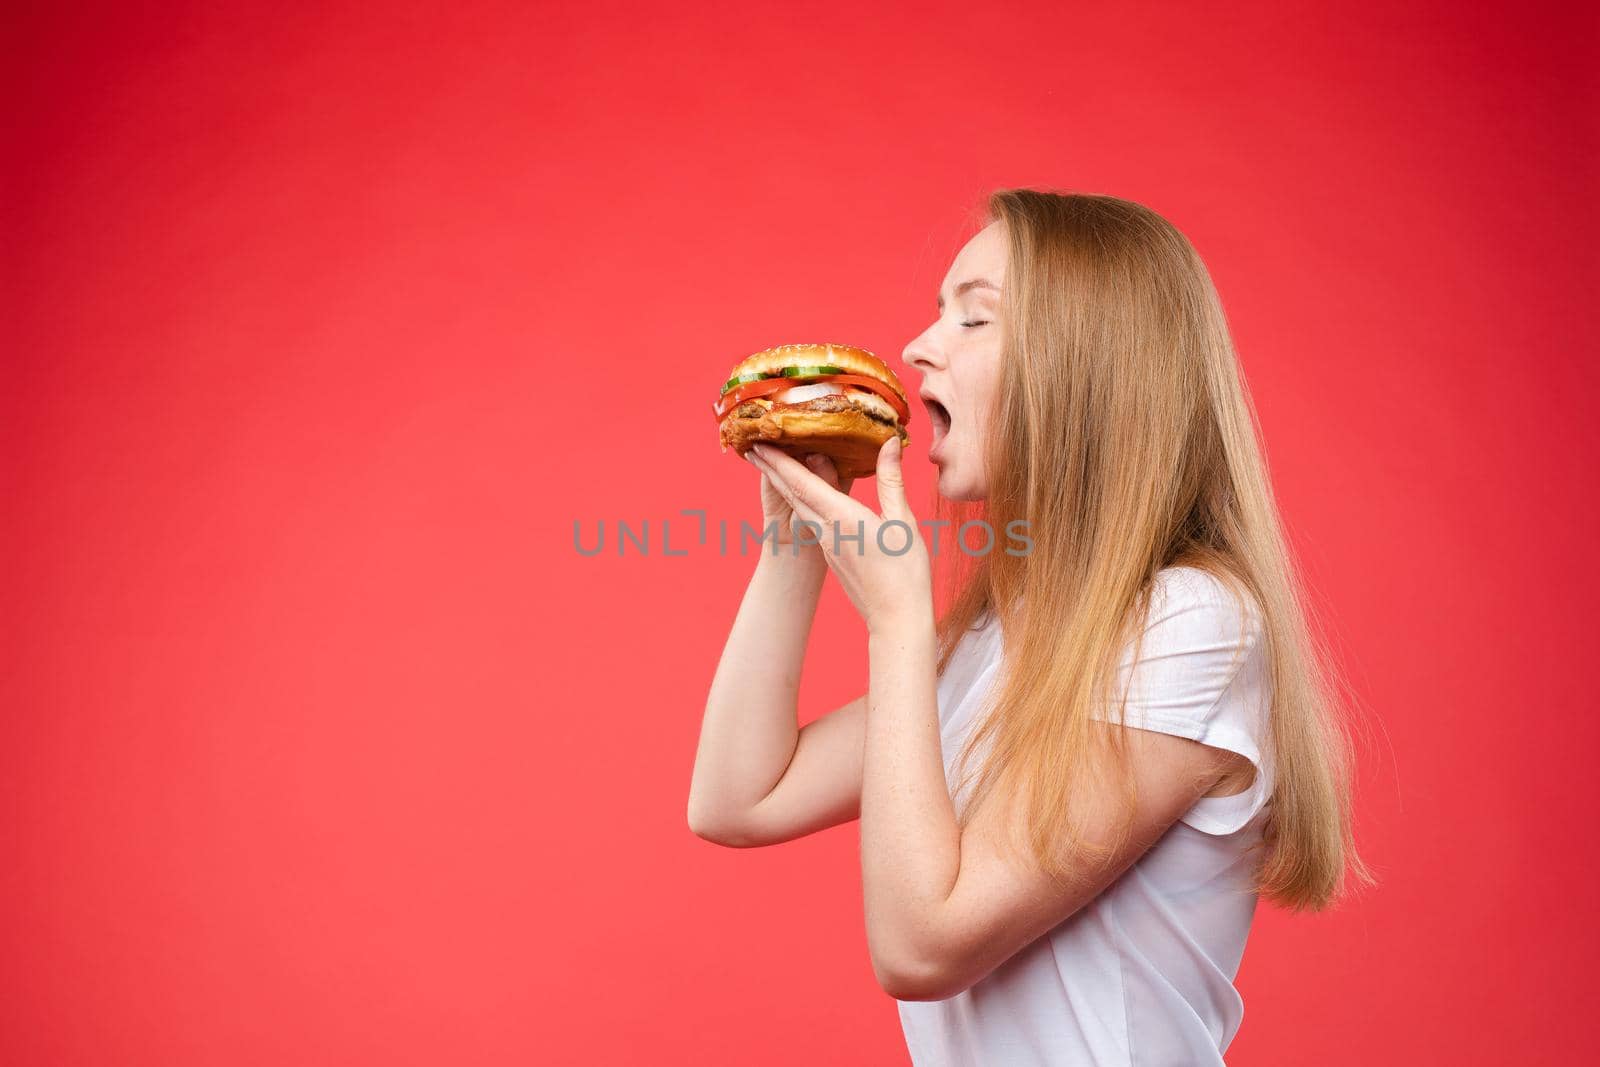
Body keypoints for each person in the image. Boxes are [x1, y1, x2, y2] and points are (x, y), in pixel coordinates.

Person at [687, 189, 1370, 1066]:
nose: (918, 347)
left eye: (973, 320)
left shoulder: (1190, 624)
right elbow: (738, 797)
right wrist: (795, 538)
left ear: (1087, 370)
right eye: (938, 313)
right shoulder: (992, 638)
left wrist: (895, 621)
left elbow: (922, 947)